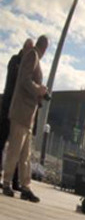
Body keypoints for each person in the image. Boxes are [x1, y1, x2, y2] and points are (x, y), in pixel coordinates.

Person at [2, 35, 48, 202]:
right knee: (15, 150)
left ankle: (25, 186)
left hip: (27, 116)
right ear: (44, 47)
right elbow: (24, 80)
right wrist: (39, 90)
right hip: (21, 114)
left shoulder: (33, 57)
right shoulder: (32, 56)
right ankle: (6, 182)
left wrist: (39, 94)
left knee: (25, 155)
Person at [0, 39, 33, 187]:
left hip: (17, 111)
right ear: (24, 48)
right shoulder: (15, 60)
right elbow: (17, 80)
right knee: (2, 142)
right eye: (29, 50)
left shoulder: (27, 66)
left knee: (17, 147)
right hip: (7, 107)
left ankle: (14, 181)